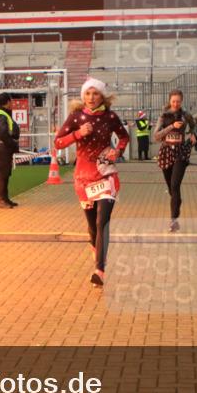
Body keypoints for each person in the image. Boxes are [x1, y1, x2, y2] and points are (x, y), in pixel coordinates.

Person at [54, 78, 129, 287]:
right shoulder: (76, 117)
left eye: (95, 94)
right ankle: (99, 252)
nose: (91, 98)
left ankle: (100, 270)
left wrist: (118, 151)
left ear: (102, 96)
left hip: (106, 174)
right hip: (83, 179)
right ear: (83, 96)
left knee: (101, 221)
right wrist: (78, 134)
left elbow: (124, 137)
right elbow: (58, 142)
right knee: (92, 228)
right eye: (88, 93)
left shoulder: (110, 117)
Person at [153, 89, 197, 232]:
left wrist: (192, 134)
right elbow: (156, 136)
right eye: (173, 101)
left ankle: (173, 220)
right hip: (166, 152)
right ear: (169, 101)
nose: (176, 103)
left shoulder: (186, 115)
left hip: (180, 153)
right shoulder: (163, 116)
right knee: (171, 188)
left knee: (175, 185)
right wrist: (172, 126)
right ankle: (177, 202)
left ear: (182, 101)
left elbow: (194, 126)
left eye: (178, 101)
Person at [0, 92, 20, 208]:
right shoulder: (1, 115)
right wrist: (13, 144)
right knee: (3, 174)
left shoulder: (4, 114)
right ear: (8, 102)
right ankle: (1, 200)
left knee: (6, 174)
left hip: (5, 147)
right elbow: (3, 134)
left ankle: (5, 199)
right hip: (3, 147)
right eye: (11, 101)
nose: (12, 104)